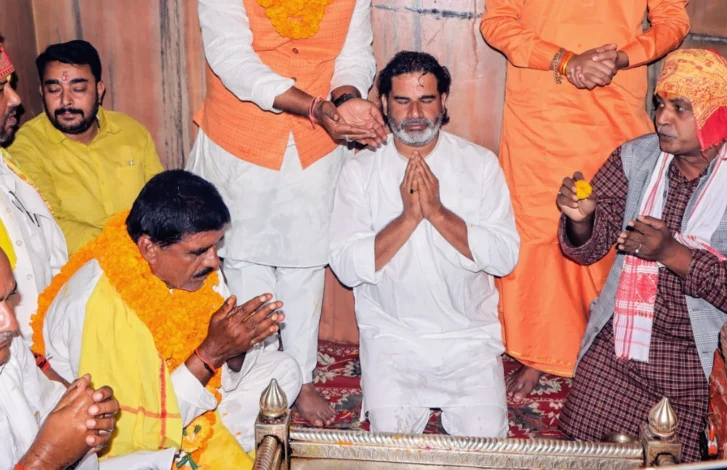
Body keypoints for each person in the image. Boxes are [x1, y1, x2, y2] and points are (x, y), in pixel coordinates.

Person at [555, 49, 727, 462]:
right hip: (624, 344)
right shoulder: (636, 158)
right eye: (660, 104)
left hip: (702, 361)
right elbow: (590, 246)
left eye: (680, 108)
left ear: (719, 115)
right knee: (582, 455)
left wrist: (675, 254)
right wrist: (581, 220)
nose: (661, 118)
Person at [186, 0, 386, 427]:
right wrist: (314, 108)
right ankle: (262, 374)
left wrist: (346, 100)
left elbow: (353, 53)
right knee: (244, 261)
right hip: (241, 138)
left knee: (306, 264)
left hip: (318, 142)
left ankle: (302, 376)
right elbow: (231, 58)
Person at [480, 0, 690, 399]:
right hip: (541, 108)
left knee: (610, 228)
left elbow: (673, 20)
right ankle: (541, 351)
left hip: (613, 104)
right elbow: (498, 22)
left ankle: (604, 348)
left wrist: (622, 57)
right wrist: (564, 60)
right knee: (541, 228)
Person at [31, 171, 302, 469]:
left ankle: (196, 442)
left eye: (216, 245)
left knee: (283, 369)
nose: (214, 261)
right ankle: (192, 450)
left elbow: (222, 366)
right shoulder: (102, 308)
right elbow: (124, 429)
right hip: (119, 440)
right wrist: (211, 353)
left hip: (181, 395)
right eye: (199, 251)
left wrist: (236, 347)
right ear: (149, 248)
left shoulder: (195, 271)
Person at [329, 51, 520, 437]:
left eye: (426, 99)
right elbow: (346, 267)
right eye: (402, 101)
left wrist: (437, 212)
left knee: (485, 445)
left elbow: (504, 257)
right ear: (384, 104)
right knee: (392, 446)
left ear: (443, 101)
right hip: (392, 339)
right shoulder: (360, 171)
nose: (415, 113)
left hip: (468, 340)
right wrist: (409, 218)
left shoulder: (480, 164)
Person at [10, 40, 164, 255]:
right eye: (54, 90)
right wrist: (126, 248)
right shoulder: (26, 147)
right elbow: (50, 225)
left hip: (147, 254)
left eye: (78, 89)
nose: (65, 101)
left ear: (99, 90)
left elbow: (160, 200)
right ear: (42, 92)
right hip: (78, 264)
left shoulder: (131, 132)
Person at [0, 248, 120, 470]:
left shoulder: (11, 347)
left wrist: (86, 424)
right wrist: (44, 460)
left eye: (8, 300)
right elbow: (48, 452)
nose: (12, 324)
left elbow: (49, 412)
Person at [0, 43, 68, 346]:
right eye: (1, 89)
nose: (16, 98)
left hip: (51, 343)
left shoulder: (9, 167)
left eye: (11, 85)